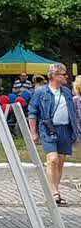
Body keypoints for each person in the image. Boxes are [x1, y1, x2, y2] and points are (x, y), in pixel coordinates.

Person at [28, 63, 78, 206]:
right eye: (64, 74)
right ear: (55, 76)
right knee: (53, 159)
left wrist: (76, 131)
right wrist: (34, 133)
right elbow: (32, 113)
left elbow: (74, 112)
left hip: (65, 129)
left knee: (60, 160)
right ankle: (53, 193)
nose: (66, 77)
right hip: (48, 129)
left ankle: (56, 190)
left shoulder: (67, 92)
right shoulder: (41, 92)